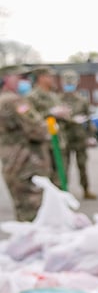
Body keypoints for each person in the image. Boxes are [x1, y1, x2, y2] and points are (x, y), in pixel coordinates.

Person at [0, 65, 52, 221]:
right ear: (8, 79)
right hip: (26, 161)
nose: (25, 81)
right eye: (20, 77)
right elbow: (36, 129)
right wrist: (48, 128)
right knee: (33, 209)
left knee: (21, 207)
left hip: (11, 161)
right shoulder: (15, 101)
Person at [26, 66, 71, 187]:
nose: (52, 79)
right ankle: (53, 201)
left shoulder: (53, 95)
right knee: (48, 175)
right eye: (49, 76)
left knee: (63, 172)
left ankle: (62, 198)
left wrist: (64, 114)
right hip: (45, 142)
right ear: (41, 78)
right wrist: (51, 113)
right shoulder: (32, 96)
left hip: (59, 139)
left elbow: (63, 114)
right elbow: (30, 119)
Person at [58, 69, 98, 200]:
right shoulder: (58, 100)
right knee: (64, 166)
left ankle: (86, 189)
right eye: (66, 81)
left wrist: (91, 136)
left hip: (80, 138)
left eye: (71, 81)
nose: (69, 84)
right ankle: (64, 192)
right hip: (65, 138)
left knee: (82, 165)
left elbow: (89, 120)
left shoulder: (82, 100)